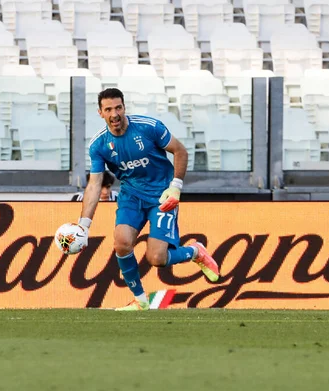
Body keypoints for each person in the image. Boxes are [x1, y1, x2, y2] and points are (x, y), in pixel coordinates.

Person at [72, 88, 220, 311]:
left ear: (124, 108)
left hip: (162, 195)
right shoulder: (99, 145)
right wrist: (83, 226)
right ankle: (141, 300)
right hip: (131, 195)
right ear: (100, 113)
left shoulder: (148, 127)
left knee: (157, 258)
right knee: (121, 243)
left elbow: (180, 151)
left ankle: (196, 252)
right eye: (109, 109)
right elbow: (94, 184)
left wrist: (176, 187)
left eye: (118, 108)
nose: (115, 114)